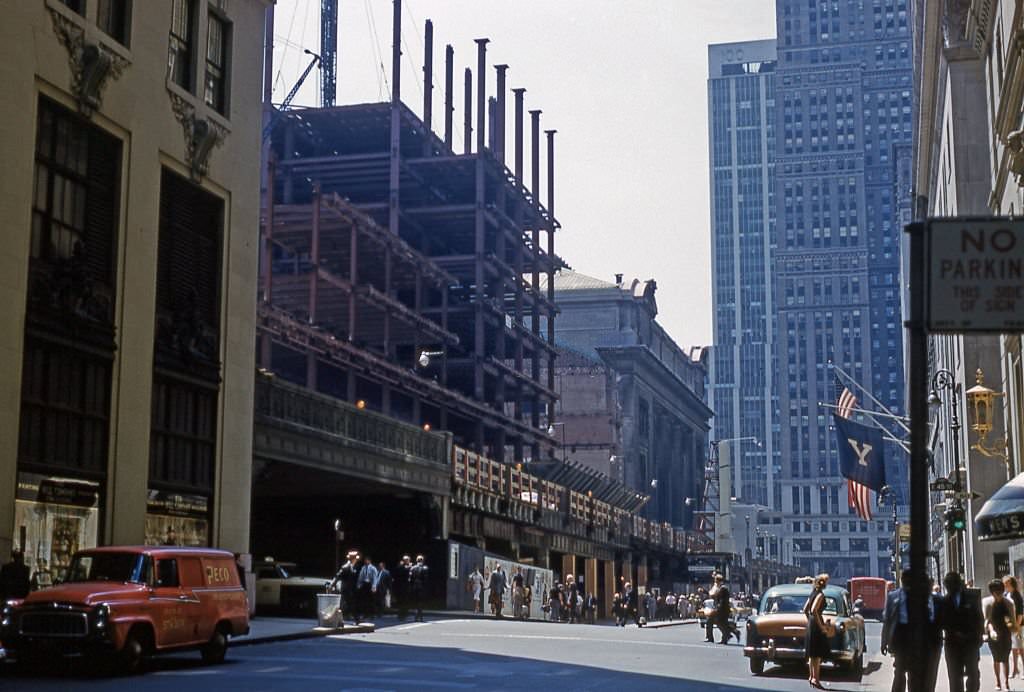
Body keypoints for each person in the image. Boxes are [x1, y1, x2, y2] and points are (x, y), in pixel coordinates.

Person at [940, 571, 983, 692]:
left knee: (973, 674)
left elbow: (979, 618)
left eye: (951, 585)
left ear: (958, 584)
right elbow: (942, 621)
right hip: (952, 644)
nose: (949, 589)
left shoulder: (972, 598)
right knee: (954, 677)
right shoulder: (944, 601)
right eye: (947, 586)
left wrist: (978, 637)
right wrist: (953, 632)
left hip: (970, 642)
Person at [984, 577, 1016, 691]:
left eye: (1000, 593)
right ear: (992, 593)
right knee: (996, 659)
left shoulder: (1008, 603)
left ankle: (1006, 682)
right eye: (995, 593)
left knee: (1005, 659)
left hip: (1006, 634)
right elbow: (987, 621)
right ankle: (998, 681)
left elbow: (1010, 620)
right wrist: (991, 631)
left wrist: (1012, 627)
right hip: (994, 635)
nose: (998, 595)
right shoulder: (988, 604)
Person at [803, 573, 832, 689]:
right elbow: (814, 609)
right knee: (817, 654)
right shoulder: (820, 595)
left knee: (812, 653)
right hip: (816, 624)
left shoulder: (812, 594)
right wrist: (821, 626)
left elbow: (806, 609)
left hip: (811, 624)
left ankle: (811, 676)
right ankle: (816, 678)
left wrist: (810, 621)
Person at [330, 551, 361, 624]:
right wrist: (332, 585)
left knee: (348, 605)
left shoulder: (353, 567)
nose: (356, 560)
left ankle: (354, 620)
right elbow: (337, 576)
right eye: (355, 558)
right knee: (344, 606)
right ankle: (338, 621)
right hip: (346, 590)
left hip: (350, 590)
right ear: (353, 559)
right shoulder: (345, 567)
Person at [1004, 575, 1024, 679]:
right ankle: (1015, 669)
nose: (1005, 585)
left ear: (1011, 584)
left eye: (1006, 584)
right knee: (1013, 648)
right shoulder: (1007, 594)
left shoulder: (1017, 596)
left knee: (1021, 648)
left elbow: (1020, 612)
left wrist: (1018, 626)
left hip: (1018, 625)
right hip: (1010, 625)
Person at [713, 578, 737, 644]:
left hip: (723, 609)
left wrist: (719, 607)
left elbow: (722, 600)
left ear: (719, 581)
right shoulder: (721, 588)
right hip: (724, 609)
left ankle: (728, 635)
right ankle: (726, 637)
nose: (715, 582)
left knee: (719, 622)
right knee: (723, 623)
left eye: (716, 581)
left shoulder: (723, 588)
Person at [356, 555, 378, 620]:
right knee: (364, 600)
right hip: (365, 584)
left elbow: (375, 578)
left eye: (367, 560)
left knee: (371, 600)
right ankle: (365, 613)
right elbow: (361, 576)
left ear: (369, 561)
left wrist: (374, 586)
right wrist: (359, 584)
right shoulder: (363, 568)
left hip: (370, 584)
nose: (366, 561)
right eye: (365, 560)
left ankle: (372, 614)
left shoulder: (373, 568)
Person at [409, 555, 429, 623]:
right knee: (420, 602)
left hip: (415, 586)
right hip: (421, 586)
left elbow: (410, 579)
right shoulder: (425, 568)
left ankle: (417, 616)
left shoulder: (412, 568)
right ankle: (419, 616)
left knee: (416, 602)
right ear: (422, 560)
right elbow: (426, 579)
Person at [705, 573, 724, 642]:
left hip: (719, 608)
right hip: (715, 607)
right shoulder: (716, 586)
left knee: (719, 623)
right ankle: (709, 638)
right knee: (709, 622)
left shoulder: (721, 588)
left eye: (715, 579)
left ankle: (725, 637)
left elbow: (714, 595)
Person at [393, 555, 411, 621]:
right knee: (403, 601)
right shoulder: (401, 567)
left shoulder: (403, 567)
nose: (409, 561)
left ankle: (403, 614)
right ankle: (402, 614)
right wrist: (409, 567)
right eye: (408, 560)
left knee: (404, 601)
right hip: (402, 587)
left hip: (403, 587)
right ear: (405, 560)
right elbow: (403, 574)